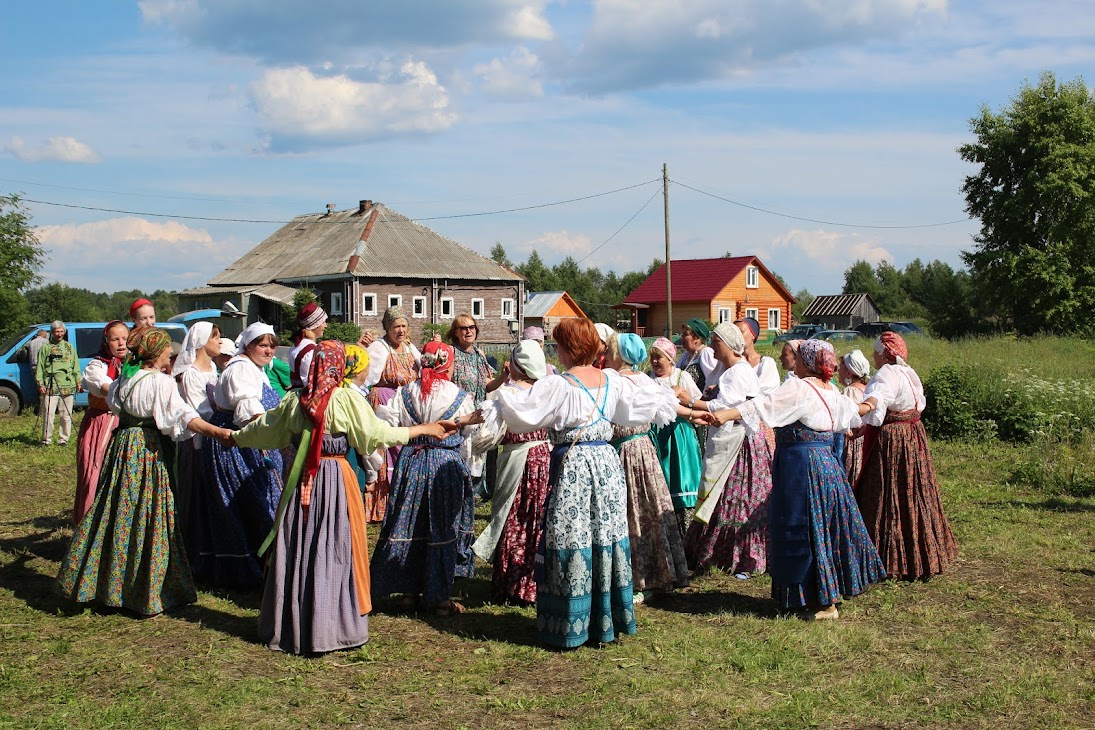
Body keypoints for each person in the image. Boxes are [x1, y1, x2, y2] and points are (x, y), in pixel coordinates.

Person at [460, 318, 674, 649]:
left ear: (568, 348)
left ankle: (572, 624)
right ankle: (605, 620)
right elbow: (643, 403)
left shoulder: (561, 385)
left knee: (570, 537)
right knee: (604, 534)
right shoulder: (611, 381)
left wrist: (498, 400)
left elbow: (524, 411)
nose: (556, 351)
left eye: (559, 345)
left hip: (574, 466)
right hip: (605, 465)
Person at [230, 341, 449, 654]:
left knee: (299, 545)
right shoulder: (345, 399)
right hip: (335, 480)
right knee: (335, 546)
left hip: (302, 481)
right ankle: (330, 625)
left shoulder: (296, 400)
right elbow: (375, 436)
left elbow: (264, 430)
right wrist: (422, 429)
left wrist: (232, 437)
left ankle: (294, 622)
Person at [697, 339, 886, 620]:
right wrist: (871, 402)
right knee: (823, 529)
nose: (794, 360)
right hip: (826, 466)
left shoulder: (799, 387)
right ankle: (822, 596)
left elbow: (763, 405)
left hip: (801, 468)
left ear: (807, 361)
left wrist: (724, 413)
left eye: (797, 356)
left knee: (805, 530)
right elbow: (854, 411)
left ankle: (823, 603)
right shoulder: (829, 390)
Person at [57, 327, 231, 616]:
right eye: (166, 349)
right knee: (148, 514)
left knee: (115, 513)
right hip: (146, 451)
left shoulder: (126, 377)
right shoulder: (160, 383)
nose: (170, 353)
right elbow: (184, 416)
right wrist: (218, 432)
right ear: (155, 353)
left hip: (121, 447)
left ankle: (105, 586)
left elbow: (113, 403)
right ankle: (145, 592)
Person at [370, 340, 477, 616]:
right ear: (447, 364)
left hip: (412, 462)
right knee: (441, 527)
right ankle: (440, 599)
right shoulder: (459, 395)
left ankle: (408, 594)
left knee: (410, 524)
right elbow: (470, 437)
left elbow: (383, 421)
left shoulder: (405, 392)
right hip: (445, 464)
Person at [855, 332, 958, 581]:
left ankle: (886, 559)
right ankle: (921, 556)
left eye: (876, 352)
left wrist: (858, 419)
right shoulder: (908, 373)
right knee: (913, 491)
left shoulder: (887, 374)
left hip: (894, 439)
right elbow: (917, 405)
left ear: (886, 354)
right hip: (912, 436)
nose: (873, 356)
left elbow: (878, 402)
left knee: (888, 494)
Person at [678, 322, 773, 578]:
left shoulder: (736, 372)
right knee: (727, 497)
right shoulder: (733, 370)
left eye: (715, 341)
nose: (711, 346)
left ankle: (741, 555)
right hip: (740, 437)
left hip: (740, 442)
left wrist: (688, 401)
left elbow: (725, 406)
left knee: (736, 496)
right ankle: (725, 552)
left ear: (728, 344)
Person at [194, 323, 285, 588]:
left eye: (271, 345)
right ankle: (248, 568)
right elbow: (248, 408)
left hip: (253, 442)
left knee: (260, 500)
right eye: (262, 345)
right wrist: (268, 429)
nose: (268, 350)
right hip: (237, 444)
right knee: (247, 502)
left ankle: (265, 564)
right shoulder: (241, 369)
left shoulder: (255, 368)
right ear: (248, 346)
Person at [605, 333, 689, 603]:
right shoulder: (644, 381)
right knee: (642, 510)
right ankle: (649, 574)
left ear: (620, 355)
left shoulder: (616, 381)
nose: (606, 355)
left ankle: (642, 577)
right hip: (641, 451)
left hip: (629, 451)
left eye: (609, 351)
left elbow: (670, 409)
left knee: (636, 511)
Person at [469, 340, 552, 604]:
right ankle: (534, 583)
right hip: (543, 457)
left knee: (512, 515)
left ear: (515, 366)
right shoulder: (546, 391)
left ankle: (511, 583)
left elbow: (483, 430)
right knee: (536, 517)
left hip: (516, 457)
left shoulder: (506, 395)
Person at [364, 306, 422, 522]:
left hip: (405, 405)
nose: (401, 330)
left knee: (405, 450)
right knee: (386, 450)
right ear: (387, 328)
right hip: (384, 404)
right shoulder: (379, 348)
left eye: (404, 326)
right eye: (396, 326)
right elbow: (367, 379)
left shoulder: (410, 348)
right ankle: (381, 506)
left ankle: (402, 502)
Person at [171, 322, 221, 548]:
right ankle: (195, 546)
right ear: (202, 341)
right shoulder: (191, 375)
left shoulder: (213, 370)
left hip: (215, 437)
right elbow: (199, 412)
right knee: (196, 492)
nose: (220, 341)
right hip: (198, 441)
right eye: (215, 337)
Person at [73, 321, 128, 525]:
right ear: (107, 341)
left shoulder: (132, 363)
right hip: (100, 423)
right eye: (115, 339)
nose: (121, 344)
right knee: (94, 474)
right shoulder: (97, 365)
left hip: (123, 424)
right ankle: (89, 527)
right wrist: (128, 391)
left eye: (125, 338)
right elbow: (102, 387)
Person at [647, 337, 703, 535]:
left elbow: (696, 400)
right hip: (657, 436)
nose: (654, 362)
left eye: (658, 357)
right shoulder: (648, 379)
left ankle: (688, 529)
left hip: (680, 435)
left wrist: (686, 399)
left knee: (683, 476)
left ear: (670, 359)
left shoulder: (682, 377)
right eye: (652, 357)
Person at [36, 321, 80, 447]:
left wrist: (78, 381)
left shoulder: (69, 347)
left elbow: (75, 365)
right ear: (52, 332)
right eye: (57, 331)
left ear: (64, 332)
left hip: (67, 384)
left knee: (66, 414)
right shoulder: (46, 348)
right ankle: (46, 439)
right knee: (48, 414)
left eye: (61, 331)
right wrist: (40, 383)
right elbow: (40, 366)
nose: (59, 334)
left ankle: (63, 439)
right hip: (51, 384)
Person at [839, 350, 871, 487]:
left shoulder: (850, 391)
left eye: (841, 367)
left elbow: (845, 418)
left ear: (849, 373)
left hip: (853, 441)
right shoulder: (868, 389)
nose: (838, 371)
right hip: (867, 438)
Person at [288, 301, 327, 389]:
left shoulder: (296, 346)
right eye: (323, 322)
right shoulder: (311, 351)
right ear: (314, 325)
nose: (325, 325)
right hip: (306, 398)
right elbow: (310, 382)